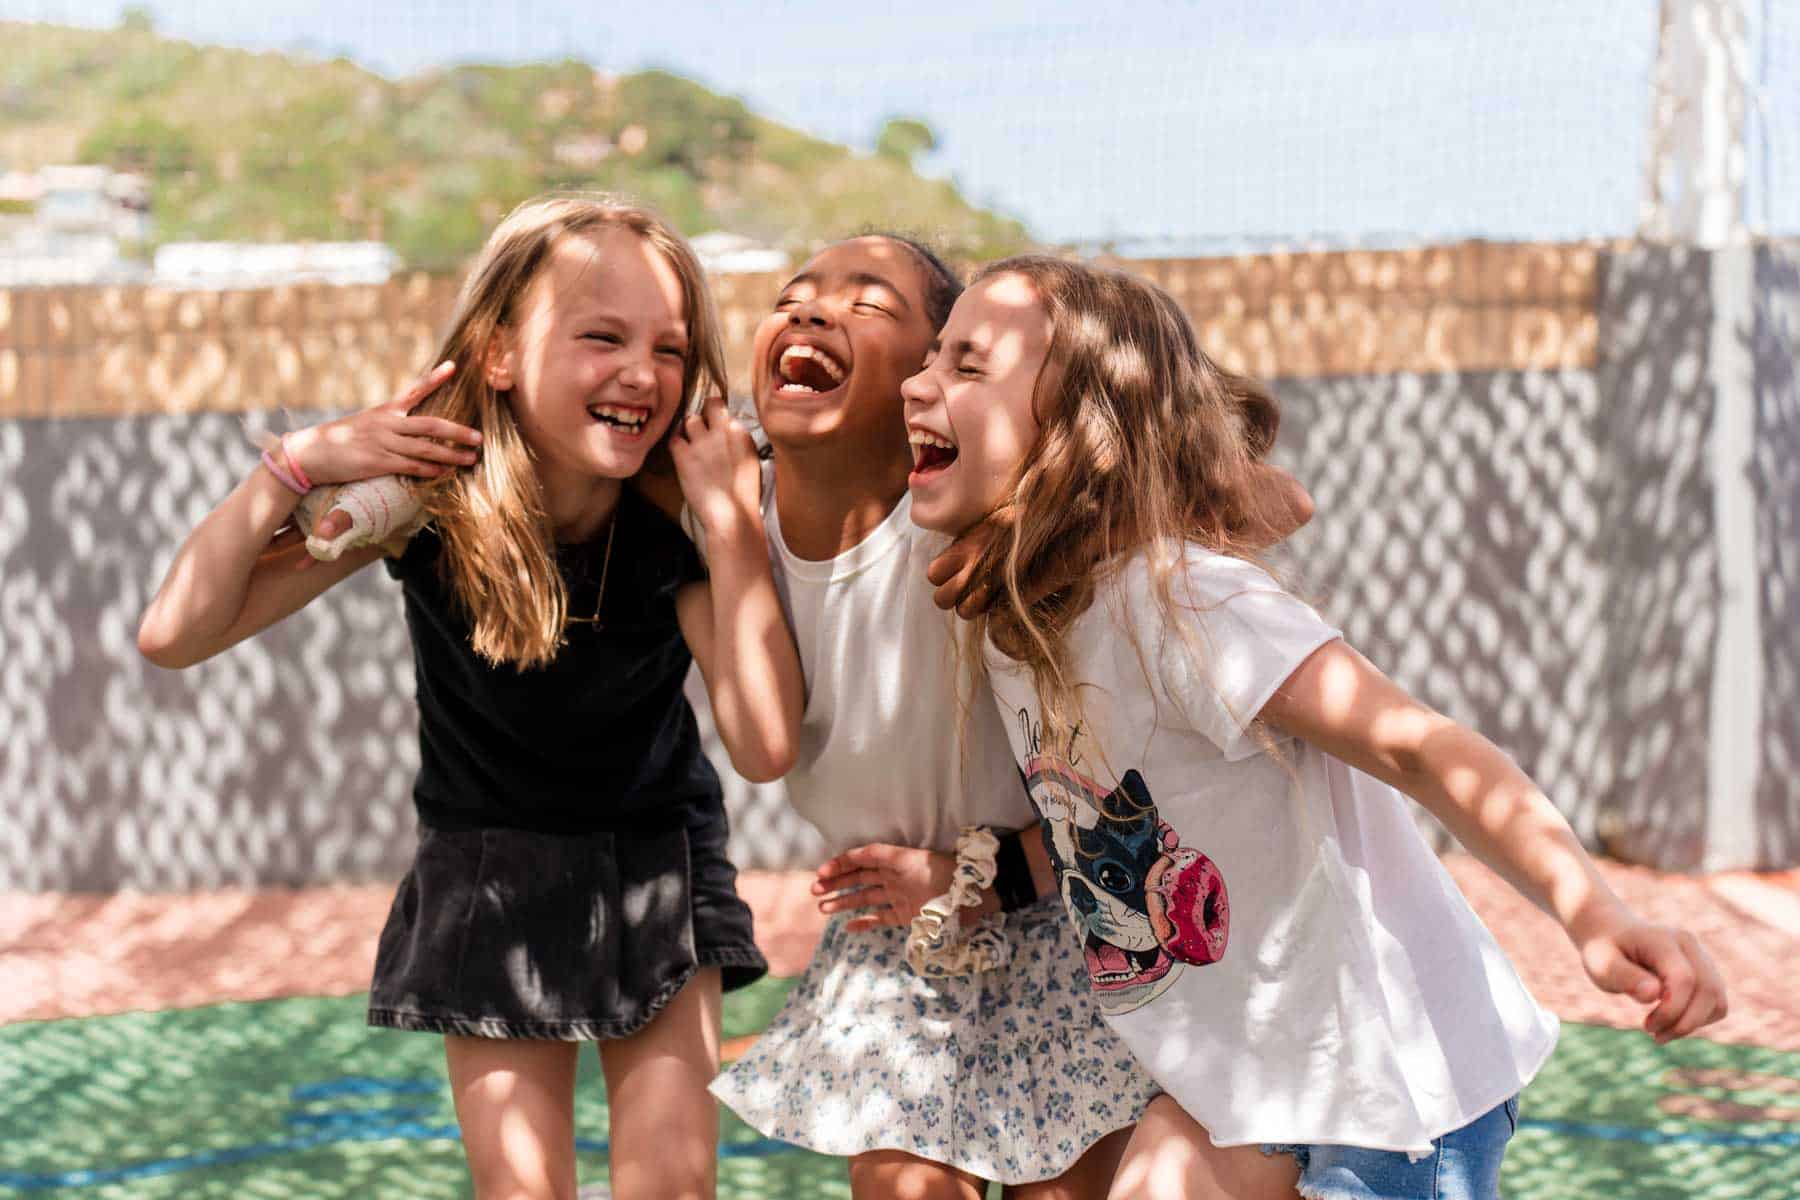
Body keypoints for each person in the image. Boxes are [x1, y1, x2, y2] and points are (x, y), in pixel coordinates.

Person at [902, 255, 1729, 1200]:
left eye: (968, 365)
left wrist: (1598, 914)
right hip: (1253, 1074)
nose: (918, 383)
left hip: (1383, 1089)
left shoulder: (1185, 603)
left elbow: (1418, 746)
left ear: (1084, 428)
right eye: (931, 357)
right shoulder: (1024, 617)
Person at [137, 194, 804, 1200]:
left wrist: (732, 522)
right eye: (602, 337)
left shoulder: (678, 513)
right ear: (499, 354)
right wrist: (295, 467)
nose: (642, 374)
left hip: (655, 858)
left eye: (670, 348)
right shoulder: (427, 498)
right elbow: (176, 633)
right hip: (490, 866)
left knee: (672, 1185)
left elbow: (762, 745)